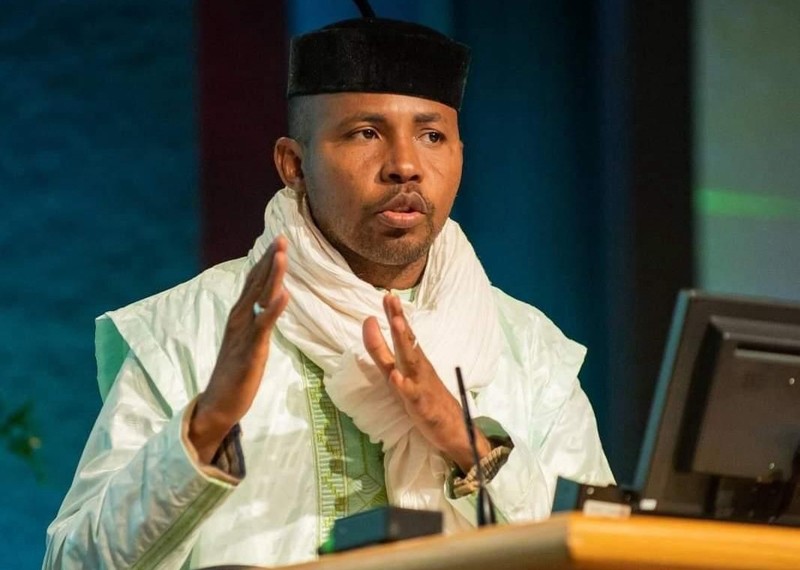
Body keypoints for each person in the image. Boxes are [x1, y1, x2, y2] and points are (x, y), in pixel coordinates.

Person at [44, 8, 614, 570]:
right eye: (366, 133)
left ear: (462, 156)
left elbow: (612, 550)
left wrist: (467, 445)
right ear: (293, 163)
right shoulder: (190, 330)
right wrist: (208, 425)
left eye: (433, 135)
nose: (405, 166)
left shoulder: (529, 349)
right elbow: (73, 563)